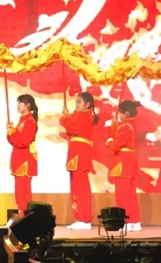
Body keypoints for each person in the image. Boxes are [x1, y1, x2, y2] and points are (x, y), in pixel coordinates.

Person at [60, 92, 97, 230]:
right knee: (76, 186)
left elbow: (72, 128)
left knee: (81, 186)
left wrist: (66, 116)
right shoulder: (81, 115)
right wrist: (67, 116)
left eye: (80, 102)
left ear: (87, 104)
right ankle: (80, 217)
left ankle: (85, 218)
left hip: (80, 153)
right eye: (76, 102)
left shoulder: (86, 116)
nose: (77, 104)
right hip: (76, 151)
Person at [107, 100, 142, 232]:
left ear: (125, 114)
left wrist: (109, 140)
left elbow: (114, 145)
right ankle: (135, 221)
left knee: (122, 194)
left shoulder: (125, 126)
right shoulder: (133, 125)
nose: (119, 115)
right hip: (132, 161)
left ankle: (124, 221)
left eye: (120, 113)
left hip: (123, 162)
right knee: (131, 194)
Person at [7, 94, 39, 215]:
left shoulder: (29, 122)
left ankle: (26, 217)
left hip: (24, 160)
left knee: (23, 191)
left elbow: (23, 141)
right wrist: (10, 131)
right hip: (19, 158)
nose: (17, 105)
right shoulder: (23, 120)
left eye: (20, 103)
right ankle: (22, 215)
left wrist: (12, 133)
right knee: (19, 191)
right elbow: (13, 140)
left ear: (27, 105)